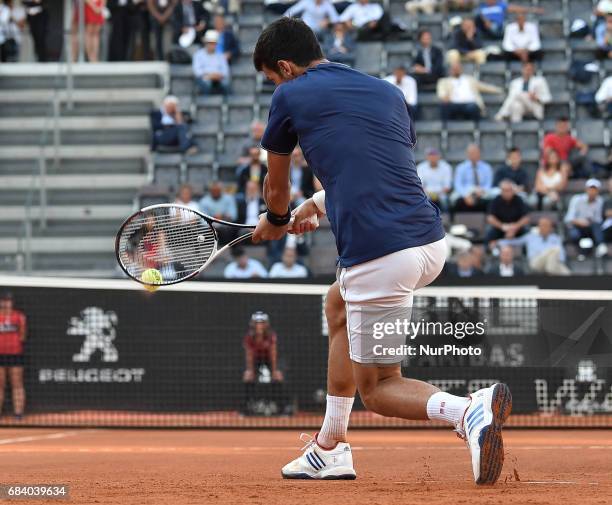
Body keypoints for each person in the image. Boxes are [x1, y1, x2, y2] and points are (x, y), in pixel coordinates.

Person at [251, 17, 510, 484]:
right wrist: (314, 204)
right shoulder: (387, 91)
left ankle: (468, 410)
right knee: (337, 304)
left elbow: (275, 187)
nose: (274, 84)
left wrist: (274, 220)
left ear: (285, 68)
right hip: (430, 243)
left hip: (380, 257)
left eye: (271, 77)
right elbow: (378, 171)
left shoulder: (289, 94)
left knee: (381, 388)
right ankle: (330, 446)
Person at [242, 311, 285, 415]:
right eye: (257, 323)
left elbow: (273, 354)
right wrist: (250, 370)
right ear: (253, 324)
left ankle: (281, 407)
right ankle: (247, 407)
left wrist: (274, 371)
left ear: (266, 324)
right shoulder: (249, 337)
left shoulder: (271, 336)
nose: (259, 325)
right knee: (247, 377)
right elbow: (249, 355)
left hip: (269, 360)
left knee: (279, 377)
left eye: (262, 322)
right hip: (256, 360)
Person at [496, 217, 570, 275]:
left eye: (547, 226)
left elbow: (561, 255)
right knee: (555, 249)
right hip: (536, 262)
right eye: (542, 225)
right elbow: (515, 242)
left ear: (550, 228)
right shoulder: (530, 236)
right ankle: (550, 270)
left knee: (568, 274)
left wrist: (558, 261)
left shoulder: (556, 238)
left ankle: (550, 270)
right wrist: (497, 242)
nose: (544, 227)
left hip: (553, 263)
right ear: (538, 226)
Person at [437, 62, 502, 120]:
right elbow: (441, 94)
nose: (456, 70)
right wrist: (444, 97)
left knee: (473, 107)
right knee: (444, 106)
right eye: (454, 68)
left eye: (458, 68)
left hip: (469, 103)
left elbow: (485, 87)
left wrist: (500, 90)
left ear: (461, 69)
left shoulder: (469, 79)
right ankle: (445, 129)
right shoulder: (444, 81)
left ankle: (477, 129)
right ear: (450, 70)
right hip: (453, 103)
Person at [564, 179, 608, 258]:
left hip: (591, 227)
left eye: (594, 190)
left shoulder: (600, 201)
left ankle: (600, 246)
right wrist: (579, 221)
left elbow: (598, 220)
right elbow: (568, 218)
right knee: (574, 235)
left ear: (598, 191)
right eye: (590, 189)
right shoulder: (576, 199)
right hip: (576, 226)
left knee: (597, 227)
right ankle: (581, 252)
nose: (592, 192)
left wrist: (590, 221)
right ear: (586, 189)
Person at [0, 292, 26, 420]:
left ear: (12, 302)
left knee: (17, 384)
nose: (5, 303)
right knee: (0, 384)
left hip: (15, 354)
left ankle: (18, 413)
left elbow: (23, 335)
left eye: (8, 301)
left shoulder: (19, 317)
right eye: (3, 301)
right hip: (0, 355)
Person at [484, 180, 530, 245]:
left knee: (528, 232)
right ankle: (489, 251)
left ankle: (527, 253)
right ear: (501, 191)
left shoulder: (519, 200)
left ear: (513, 190)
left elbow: (526, 218)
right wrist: (502, 226)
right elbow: (490, 218)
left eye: (508, 190)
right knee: (489, 232)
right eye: (504, 190)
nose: (506, 193)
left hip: (517, 227)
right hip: (500, 227)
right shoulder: (495, 200)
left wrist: (515, 227)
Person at [452, 144, 493, 211]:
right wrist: (466, 195)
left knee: (492, 199)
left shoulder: (487, 167)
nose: (473, 155)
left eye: (475, 152)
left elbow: (488, 184)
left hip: (482, 192)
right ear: (467, 154)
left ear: (479, 153)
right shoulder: (461, 167)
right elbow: (458, 185)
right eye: (471, 153)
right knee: (456, 200)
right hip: (466, 192)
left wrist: (482, 191)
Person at [474, 0, 542, 40]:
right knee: (477, 18)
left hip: (497, 28)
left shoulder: (500, 5)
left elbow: (516, 9)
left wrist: (533, 10)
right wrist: (485, 20)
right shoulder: (482, 7)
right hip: (483, 29)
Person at [192, 30, 231, 96]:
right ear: (206, 43)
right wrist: (210, 75)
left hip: (218, 78)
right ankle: (206, 104)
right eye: (210, 43)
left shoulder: (220, 55)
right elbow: (197, 71)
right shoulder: (198, 55)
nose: (212, 45)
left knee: (226, 83)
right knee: (207, 84)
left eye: (213, 43)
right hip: (205, 78)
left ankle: (228, 104)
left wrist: (216, 76)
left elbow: (225, 71)